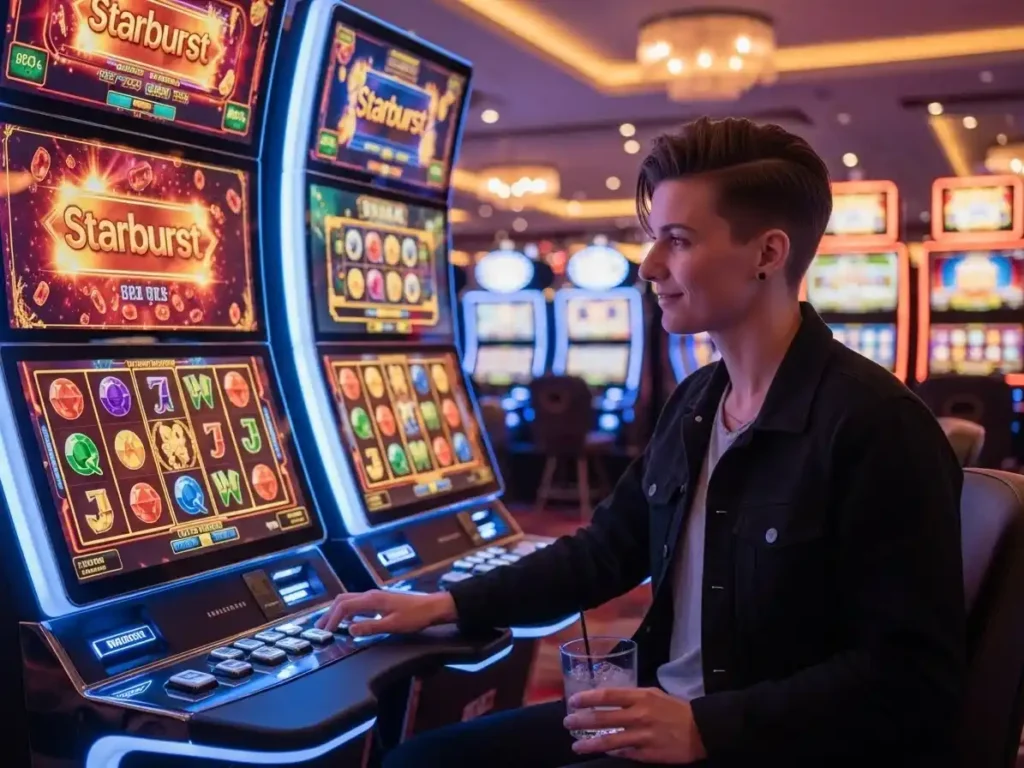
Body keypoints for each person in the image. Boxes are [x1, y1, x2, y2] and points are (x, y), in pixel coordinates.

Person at [318, 117, 965, 767]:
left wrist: (708, 727)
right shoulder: (696, 402)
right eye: (653, 239)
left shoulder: (875, 424)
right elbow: (603, 553)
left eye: (677, 241)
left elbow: (912, 676)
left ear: (768, 254)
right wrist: (445, 603)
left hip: (756, 744)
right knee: (418, 762)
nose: (650, 265)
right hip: (660, 712)